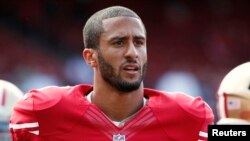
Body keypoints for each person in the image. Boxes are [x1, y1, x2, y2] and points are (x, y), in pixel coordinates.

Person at [9, 6, 214, 141]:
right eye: (119, 42)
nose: (133, 53)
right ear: (90, 57)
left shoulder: (189, 115)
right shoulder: (42, 111)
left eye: (139, 43)